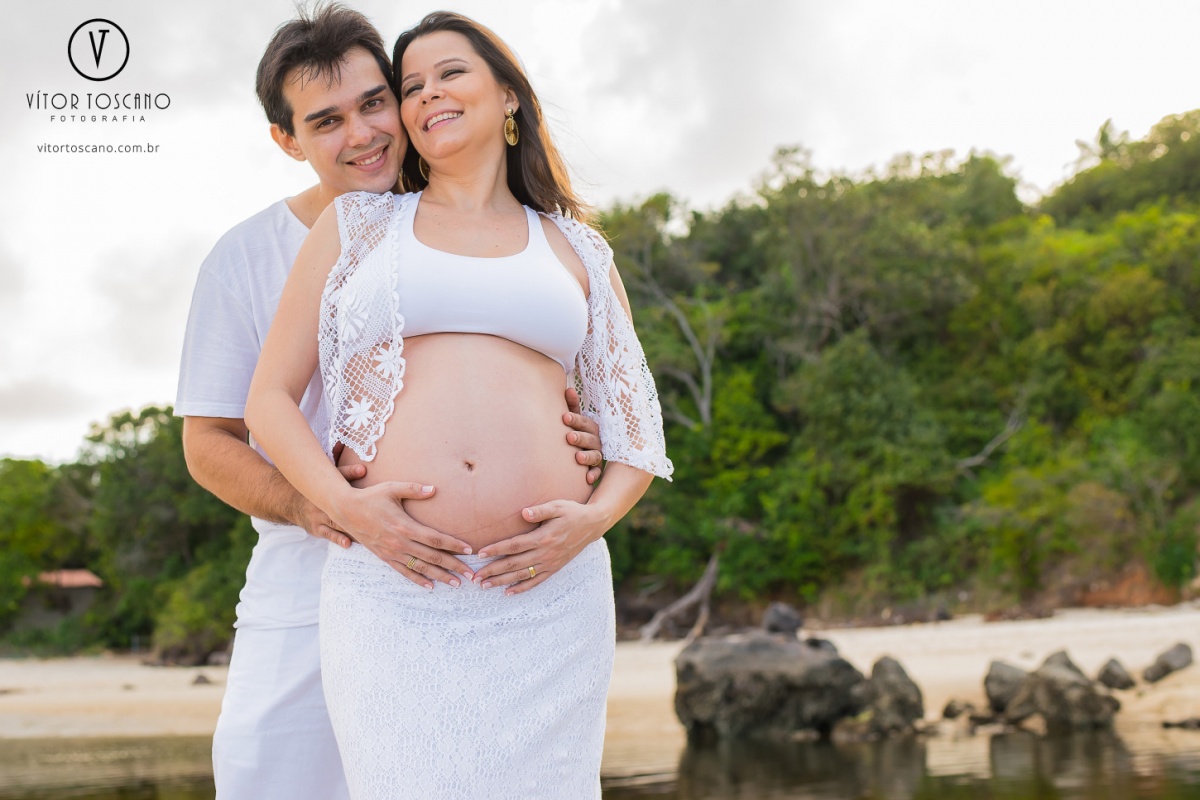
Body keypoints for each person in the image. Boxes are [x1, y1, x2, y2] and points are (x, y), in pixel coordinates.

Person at [174, 6, 605, 799]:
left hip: (504, 585)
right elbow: (209, 440)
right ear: (287, 140)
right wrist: (327, 511)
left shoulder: (490, 226)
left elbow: (572, 368)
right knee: (274, 779)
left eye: (377, 102)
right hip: (316, 577)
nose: (365, 132)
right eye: (327, 120)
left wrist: (572, 434)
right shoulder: (245, 258)